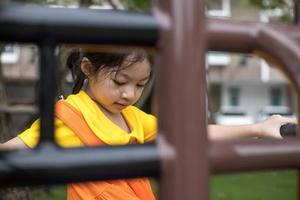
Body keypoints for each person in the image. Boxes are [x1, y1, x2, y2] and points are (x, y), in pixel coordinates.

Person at [0, 47, 297, 199]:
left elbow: (190, 133)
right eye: (119, 82)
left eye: (141, 84)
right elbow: (10, 152)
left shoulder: (133, 118)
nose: (130, 94)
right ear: (87, 69)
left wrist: (260, 127)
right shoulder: (67, 115)